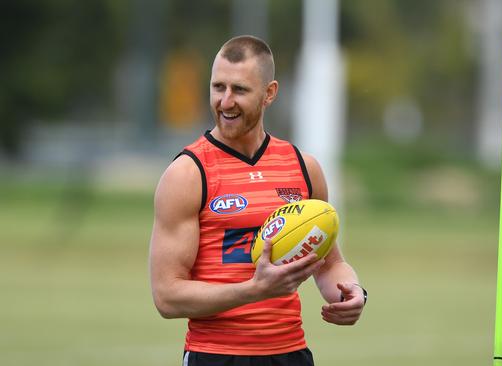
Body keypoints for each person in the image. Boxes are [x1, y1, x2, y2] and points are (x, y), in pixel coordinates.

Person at [149, 35, 367, 366]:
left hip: (290, 354)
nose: (225, 102)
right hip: (216, 357)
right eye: (217, 87)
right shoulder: (188, 173)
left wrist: (350, 291)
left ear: (269, 94)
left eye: (239, 89)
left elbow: (328, 261)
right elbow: (167, 296)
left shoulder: (303, 167)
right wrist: (255, 289)